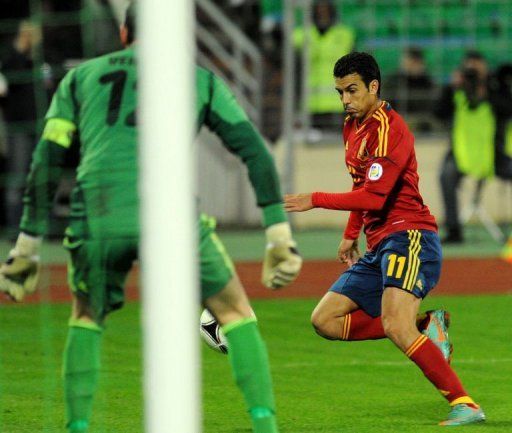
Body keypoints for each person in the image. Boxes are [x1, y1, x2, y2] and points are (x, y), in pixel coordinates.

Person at [0, 4, 302, 433]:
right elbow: (254, 151)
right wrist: (278, 234)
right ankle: (265, 426)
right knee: (234, 312)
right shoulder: (197, 79)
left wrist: (26, 246)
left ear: (124, 33)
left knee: (86, 316)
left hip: (98, 213)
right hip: (171, 217)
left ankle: (78, 426)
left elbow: (45, 160)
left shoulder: (79, 78)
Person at [284, 52, 485, 426]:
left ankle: (466, 403)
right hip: (380, 243)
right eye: (340, 91)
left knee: (395, 325)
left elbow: (375, 196)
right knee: (324, 320)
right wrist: (350, 234)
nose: (345, 99)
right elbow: (362, 185)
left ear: (373, 87)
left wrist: (315, 199)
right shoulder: (352, 126)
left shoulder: (391, 128)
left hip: (410, 235)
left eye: (352, 90)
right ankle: (425, 327)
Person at [435, 51, 496, 244]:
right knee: (446, 175)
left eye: (476, 69)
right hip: (461, 152)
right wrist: (452, 88)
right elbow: (438, 113)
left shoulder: (495, 87)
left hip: (493, 151)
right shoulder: (456, 91)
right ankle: (454, 230)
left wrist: (487, 91)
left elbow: (506, 108)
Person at [0, 20, 47, 237]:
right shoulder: (12, 61)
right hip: (19, 129)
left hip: (43, 127)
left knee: (41, 181)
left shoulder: (45, 60)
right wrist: (20, 50)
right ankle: (13, 231)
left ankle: (40, 230)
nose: (29, 37)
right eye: (24, 34)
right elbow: (6, 81)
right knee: (17, 180)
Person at [293, 0, 355, 129]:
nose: (322, 13)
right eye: (319, 9)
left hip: (338, 103)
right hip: (309, 103)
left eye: (325, 9)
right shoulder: (300, 35)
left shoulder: (346, 34)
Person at [383, 47, 434, 131]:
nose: (413, 65)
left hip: (420, 121)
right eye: (410, 61)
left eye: (416, 62)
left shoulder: (427, 81)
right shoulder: (393, 80)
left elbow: (430, 106)